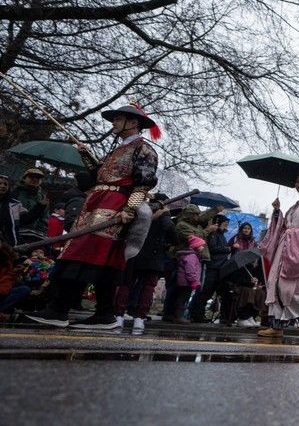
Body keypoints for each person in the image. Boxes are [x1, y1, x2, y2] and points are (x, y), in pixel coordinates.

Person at [26, 104, 158, 328]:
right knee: (86, 254)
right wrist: (85, 154)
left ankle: (65, 309)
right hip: (96, 202)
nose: (113, 123)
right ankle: (96, 313)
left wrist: (129, 209)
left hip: (115, 205)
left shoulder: (144, 150)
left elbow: (142, 184)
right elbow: (99, 174)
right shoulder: (117, 149)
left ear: (134, 123)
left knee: (92, 255)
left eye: (118, 119)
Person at [257, 172, 299, 339]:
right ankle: (277, 325)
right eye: (297, 181)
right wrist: (277, 212)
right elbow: (284, 225)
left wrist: (293, 233)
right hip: (284, 247)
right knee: (274, 283)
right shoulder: (294, 206)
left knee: (286, 286)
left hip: (295, 248)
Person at [113, 193, 176, 334]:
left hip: (134, 253)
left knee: (127, 284)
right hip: (152, 257)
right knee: (147, 287)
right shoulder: (164, 219)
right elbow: (174, 236)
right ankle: (139, 319)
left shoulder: (140, 211)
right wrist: (166, 215)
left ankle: (119, 315)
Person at [189, 214, 230, 323]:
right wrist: (228, 249)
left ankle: (201, 314)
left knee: (211, 292)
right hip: (212, 266)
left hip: (219, 268)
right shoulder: (213, 234)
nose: (226, 226)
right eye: (225, 224)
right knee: (205, 292)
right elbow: (212, 248)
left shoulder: (222, 235)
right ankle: (196, 315)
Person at [174, 235, 207, 323]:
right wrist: (193, 281)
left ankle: (180, 316)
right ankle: (179, 316)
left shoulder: (194, 256)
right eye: (201, 245)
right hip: (186, 282)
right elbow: (190, 270)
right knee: (183, 299)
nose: (203, 247)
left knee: (184, 298)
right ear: (196, 245)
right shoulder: (191, 257)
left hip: (186, 282)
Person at [13, 167, 49, 246]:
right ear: (24, 178)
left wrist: (42, 233)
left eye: (38, 178)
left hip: (37, 237)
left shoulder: (43, 197)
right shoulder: (15, 193)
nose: (35, 179)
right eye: (32, 177)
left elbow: (45, 217)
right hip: (17, 234)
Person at [0, 174, 17, 247]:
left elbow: (24, 219)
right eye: (0, 183)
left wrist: (40, 206)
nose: (3, 186)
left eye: (5, 184)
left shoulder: (12, 204)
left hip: (6, 243)